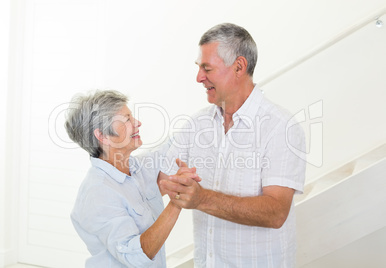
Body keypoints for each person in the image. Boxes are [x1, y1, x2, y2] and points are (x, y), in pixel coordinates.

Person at [159, 23, 306, 267]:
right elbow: (159, 180)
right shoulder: (196, 125)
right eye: (199, 68)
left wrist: (201, 199)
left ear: (239, 67)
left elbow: (276, 211)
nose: (199, 78)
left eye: (207, 68)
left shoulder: (281, 128)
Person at [65, 90, 199, 267]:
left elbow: (173, 145)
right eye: (127, 119)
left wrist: (213, 113)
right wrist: (177, 201)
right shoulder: (98, 193)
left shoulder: (136, 168)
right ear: (102, 136)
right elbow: (136, 257)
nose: (137, 123)